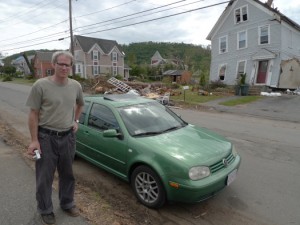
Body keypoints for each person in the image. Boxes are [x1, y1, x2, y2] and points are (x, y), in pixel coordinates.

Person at [26, 51, 84, 225]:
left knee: (68, 174)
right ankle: (45, 209)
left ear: (71, 67)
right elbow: (33, 114)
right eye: (61, 64)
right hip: (46, 137)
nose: (64, 67)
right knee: (45, 177)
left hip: (67, 137)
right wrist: (34, 140)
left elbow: (80, 104)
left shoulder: (75, 86)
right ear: (54, 65)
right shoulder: (40, 85)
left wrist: (76, 120)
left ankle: (67, 203)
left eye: (68, 65)